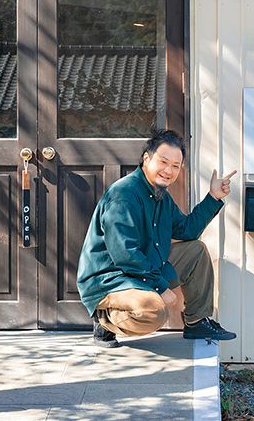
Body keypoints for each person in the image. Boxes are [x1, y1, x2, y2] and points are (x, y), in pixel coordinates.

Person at [77, 128, 237, 348]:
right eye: (163, 162)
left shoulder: (161, 195)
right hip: (111, 278)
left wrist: (213, 197)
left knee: (196, 251)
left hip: (142, 266)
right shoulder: (124, 195)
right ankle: (106, 321)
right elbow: (126, 254)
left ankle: (196, 322)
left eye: (175, 166)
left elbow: (186, 230)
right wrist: (160, 287)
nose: (168, 170)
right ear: (146, 158)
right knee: (154, 311)